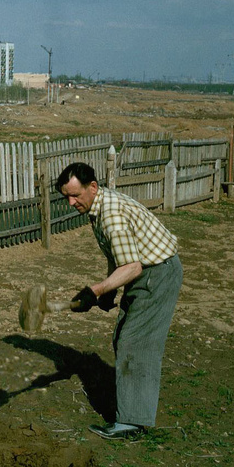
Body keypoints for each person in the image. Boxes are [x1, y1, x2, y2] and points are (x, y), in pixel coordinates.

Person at [56, 162, 182, 440]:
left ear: (93, 187)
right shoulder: (98, 208)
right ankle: (132, 405)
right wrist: (109, 291)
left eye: (75, 195)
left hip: (156, 273)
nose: (71, 202)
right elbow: (118, 254)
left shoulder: (110, 213)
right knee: (124, 337)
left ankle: (131, 423)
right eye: (66, 196)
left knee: (134, 342)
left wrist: (96, 289)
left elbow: (134, 266)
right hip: (144, 273)